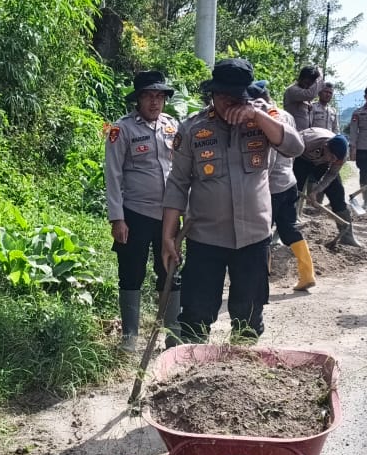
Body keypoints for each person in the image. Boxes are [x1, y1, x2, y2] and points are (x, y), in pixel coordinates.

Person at [161, 58, 304, 342]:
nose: (229, 103)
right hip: (205, 237)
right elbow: (177, 183)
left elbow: (295, 147)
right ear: (212, 94)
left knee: (249, 314)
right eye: (222, 96)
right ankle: (187, 373)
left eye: (236, 96)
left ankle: (240, 373)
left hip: (254, 237)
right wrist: (168, 234)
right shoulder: (193, 128)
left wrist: (257, 116)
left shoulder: (267, 118)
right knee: (195, 315)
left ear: (247, 94)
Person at [104, 71, 181, 352]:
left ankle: (174, 338)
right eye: (149, 96)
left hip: (169, 216)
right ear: (138, 99)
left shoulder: (173, 126)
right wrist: (117, 217)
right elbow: (113, 175)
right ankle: (130, 339)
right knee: (131, 273)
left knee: (171, 270)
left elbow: (183, 168)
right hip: (134, 214)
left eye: (159, 96)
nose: (154, 102)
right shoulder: (121, 129)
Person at [252, 80, 316, 292]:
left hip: (270, 187)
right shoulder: (285, 115)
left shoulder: (262, 118)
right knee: (289, 229)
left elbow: (267, 157)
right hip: (289, 182)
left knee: (261, 233)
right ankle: (307, 274)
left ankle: (261, 281)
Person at [294, 125, 356, 248]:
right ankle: (281, 234)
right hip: (300, 158)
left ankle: (347, 236)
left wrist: (316, 191)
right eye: (332, 158)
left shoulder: (339, 157)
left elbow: (332, 174)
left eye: (336, 160)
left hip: (321, 162)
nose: (334, 162)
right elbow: (286, 158)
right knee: (291, 194)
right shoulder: (305, 140)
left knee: (337, 192)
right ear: (326, 147)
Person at [283, 65, 323, 130]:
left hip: (304, 135)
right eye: (306, 83)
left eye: (310, 84)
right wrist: (320, 77)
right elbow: (310, 95)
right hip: (292, 133)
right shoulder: (292, 90)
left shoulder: (305, 95)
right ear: (301, 78)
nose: (307, 86)